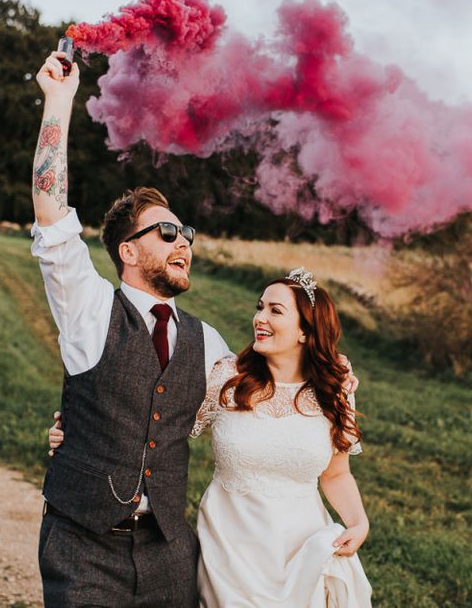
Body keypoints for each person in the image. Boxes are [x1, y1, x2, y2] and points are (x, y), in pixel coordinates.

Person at [33, 49, 358, 607]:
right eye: (165, 232)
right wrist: (59, 101)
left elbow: (261, 406)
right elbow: (51, 210)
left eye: (185, 231)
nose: (183, 240)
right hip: (82, 548)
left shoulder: (208, 345)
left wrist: (327, 380)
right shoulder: (87, 308)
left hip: (169, 553)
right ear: (129, 251)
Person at [51, 268, 373, 607]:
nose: (259, 318)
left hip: (301, 549)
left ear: (307, 332)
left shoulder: (334, 394)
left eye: (275, 311)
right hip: (229, 549)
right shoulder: (226, 379)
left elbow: (336, 474)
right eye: (260, 306)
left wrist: (358, 522)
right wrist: (77, 432)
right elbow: (147, 422)